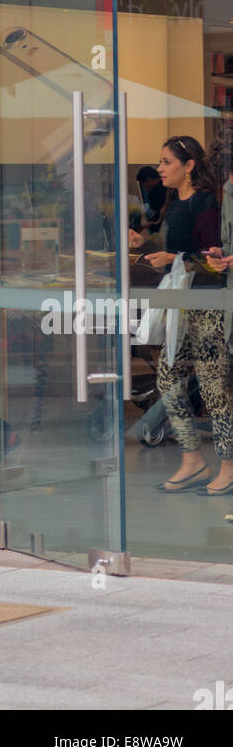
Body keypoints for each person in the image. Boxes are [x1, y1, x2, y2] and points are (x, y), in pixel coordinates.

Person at [130, 135, 233, 495]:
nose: (159, 168)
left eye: (166, 161)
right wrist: (149, 245)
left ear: (188, 166)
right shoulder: (175, 202)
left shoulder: (206, 203)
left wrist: (175, 259)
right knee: (169, 380)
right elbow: (177, 248)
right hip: (182, 304)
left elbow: (215, 261)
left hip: (207, 306)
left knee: (213, 386)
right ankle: (192, 458)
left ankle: (228, 465)